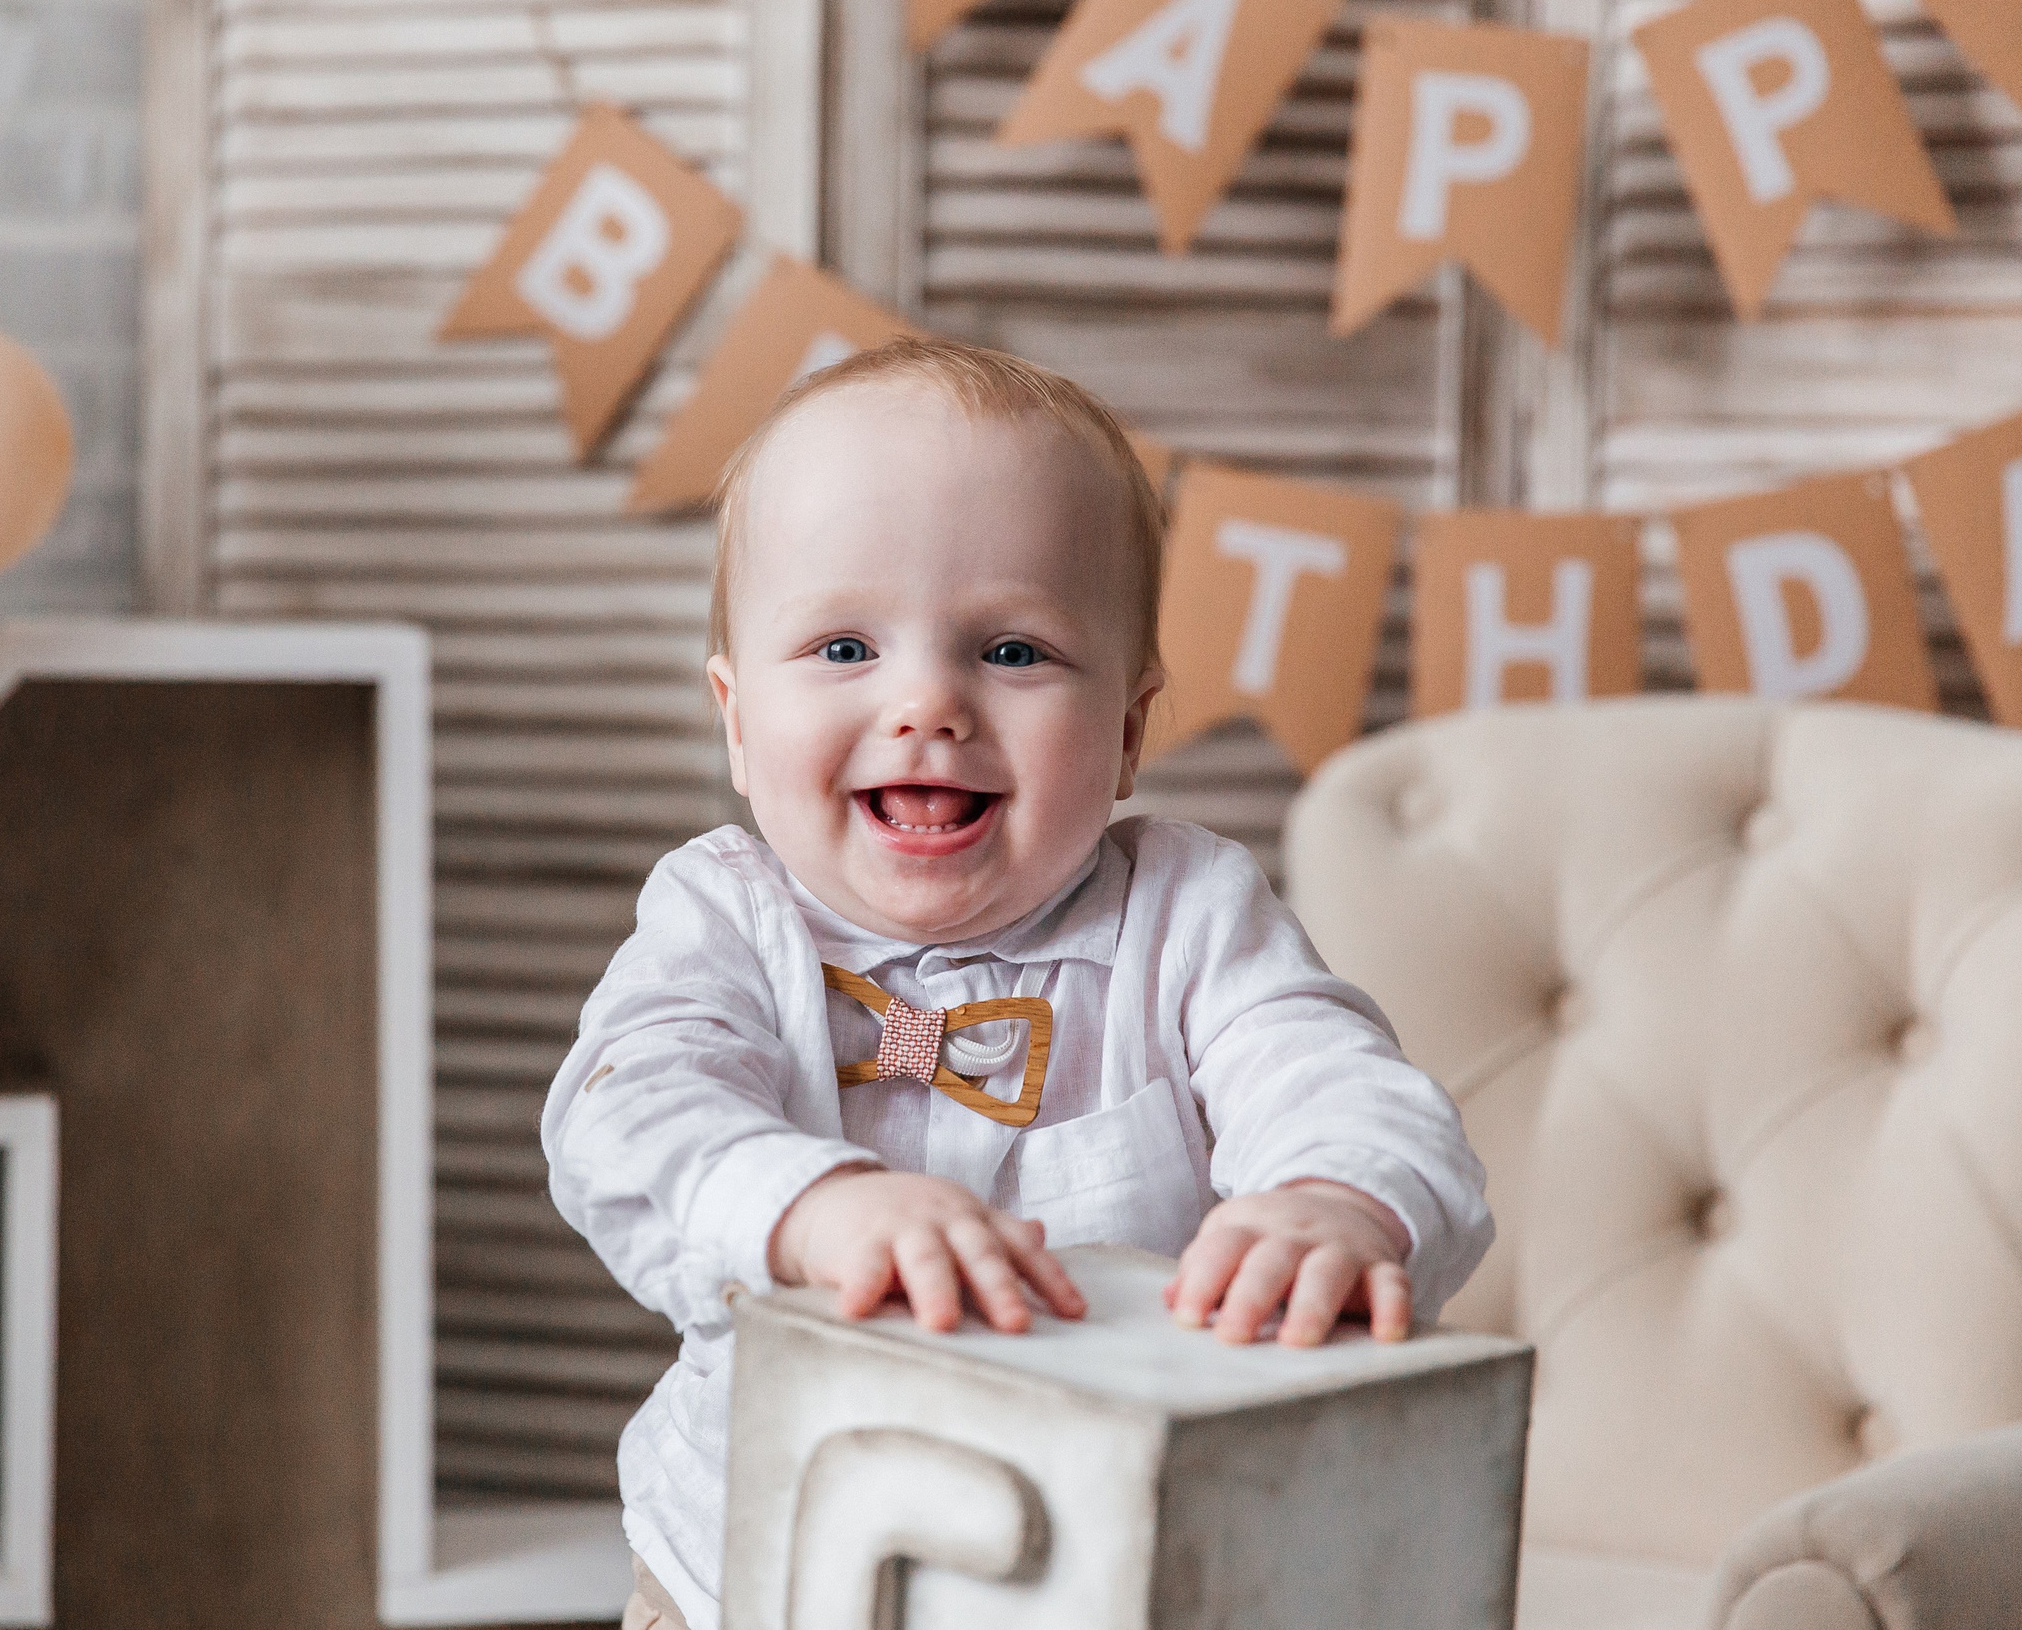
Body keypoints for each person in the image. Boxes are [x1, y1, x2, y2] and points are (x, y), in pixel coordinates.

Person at [540, 339, 1492, 1630]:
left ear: (1129, 733)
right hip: (752, 1568)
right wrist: (812, 1207)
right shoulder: (721, 919)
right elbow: (628, 1115)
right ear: (737, 722)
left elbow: (1340, 1080)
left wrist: (1337, 1201)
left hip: (1108, 1575)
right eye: (843, 646)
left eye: (1013, 652)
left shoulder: (1189, 917)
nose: (928, 702)